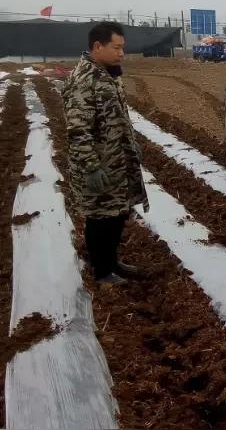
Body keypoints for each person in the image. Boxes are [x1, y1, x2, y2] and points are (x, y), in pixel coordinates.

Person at [62, 22, 148, 284]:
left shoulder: (108, 74)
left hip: (116, 162)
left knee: (117, 214)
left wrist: (131, 143)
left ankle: (110, 261)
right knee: (100, 218)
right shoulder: (83, 80)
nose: (122, 53)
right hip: (98, 166)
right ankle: (102, 272)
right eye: (117, 47)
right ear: (97, 47)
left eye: (123, 47)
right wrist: (91, 167)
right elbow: (78, 130)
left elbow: (115, 117)